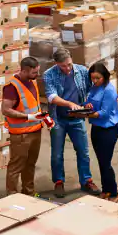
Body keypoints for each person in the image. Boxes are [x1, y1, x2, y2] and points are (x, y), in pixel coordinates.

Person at [41, 49, 97, 197]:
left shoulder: (82, 71)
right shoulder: (49, 75)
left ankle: (86, 180)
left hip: (77, 118)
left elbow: (91, 89)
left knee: (83, 151)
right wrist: (69, 104)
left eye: (69, 65)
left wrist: (90, 103)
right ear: (56, 64)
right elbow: (52, 97)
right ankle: (58, 182)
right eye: (63, 66)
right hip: (58, 119)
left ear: (72, 59)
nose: (67, 69)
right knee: (57, 154)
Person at [2, 56, 51, 196]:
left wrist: (45, 118)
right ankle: (11, 195)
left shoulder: (32, 81)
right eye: (34, 72)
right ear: (24, 71)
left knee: (30, 164)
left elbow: (33, 105)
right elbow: (6, 110)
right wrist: (28, 117)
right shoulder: (12, 87)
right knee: (16, 166)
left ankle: (28, 192)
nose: (37, 75)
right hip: (21, 134)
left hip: (36, 130)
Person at [85, 63, 118, 201]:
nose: (94, 81)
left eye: (97, 78)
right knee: (101, 161)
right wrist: (87, 106)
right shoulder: (94, 88)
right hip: (96, 128)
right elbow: (88, 102)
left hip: (108, 130)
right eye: (92, 78)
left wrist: (86, 115)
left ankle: (114, 192)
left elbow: (104, 113)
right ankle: (106, 189)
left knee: (106, 162)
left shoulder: (109, 90)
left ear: (104, 77)